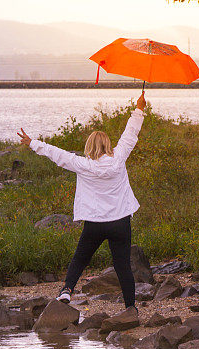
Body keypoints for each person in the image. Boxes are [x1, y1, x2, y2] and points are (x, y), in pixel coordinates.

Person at [17, 92, 146, 327]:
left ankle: (67, 290)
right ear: (108, 145)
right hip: (120, 222)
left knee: (80, 258)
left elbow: (59, 155)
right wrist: (139, 109)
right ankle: (130, 308)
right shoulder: (119, 158)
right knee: (122, 265)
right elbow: (130, 134)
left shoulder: (83, 165)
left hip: (95, 223)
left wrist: (33, 143)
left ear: (89, 147)